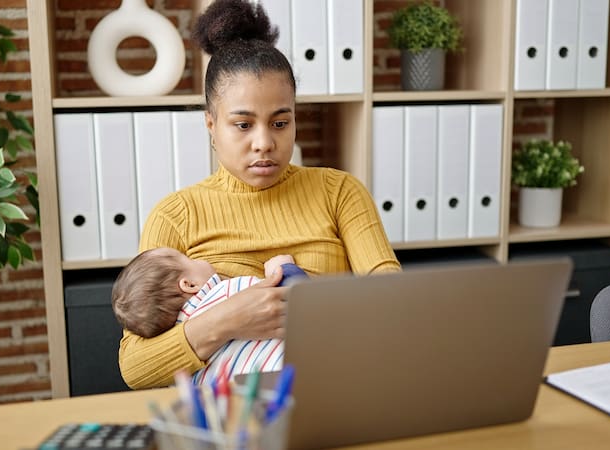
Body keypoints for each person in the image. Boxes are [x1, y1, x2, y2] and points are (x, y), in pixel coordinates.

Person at [119, 0, 401, 389]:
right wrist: (229, 319)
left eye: (280, 122)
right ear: (211, 124)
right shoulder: (175, 216)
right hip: (229, 418)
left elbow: (396, 302)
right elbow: (136, 368)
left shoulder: (340, 192)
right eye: (243, 124)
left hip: (336, 389)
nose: (264, 143)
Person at [112, 248, 304, 384]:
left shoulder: (185, 372)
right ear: (189, 284)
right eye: (189, 258)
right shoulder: (226, 292)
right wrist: (284, 269)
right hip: (293, 375)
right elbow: (296, 300)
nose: (200, 260)